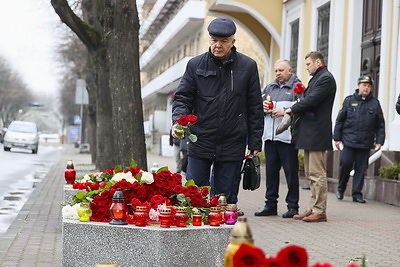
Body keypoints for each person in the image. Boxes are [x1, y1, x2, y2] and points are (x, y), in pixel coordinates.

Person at [171, 17, 264, 204]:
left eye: (223, 41)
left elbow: (254, 107)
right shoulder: (195, 65)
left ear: (233, 41)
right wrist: (178, 121)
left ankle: (223, 232)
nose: (218, 45)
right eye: (214, 40)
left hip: (232, 142)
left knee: (224, 199)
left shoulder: (248, 67)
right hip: (200, 139)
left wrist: (255, 143)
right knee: (193, 196)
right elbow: (183, 98)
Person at [285, 51, 336, 222]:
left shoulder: (326, 78)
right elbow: (307, 98)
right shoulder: (317, 78)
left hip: (317, 133)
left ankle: (320, 210)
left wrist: (293, 108)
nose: (306, 68)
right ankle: (312, 208)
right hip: (310, 132)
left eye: (308, 64)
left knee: (317, 174)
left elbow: (312, 100)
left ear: (318, 62)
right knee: (310, 173)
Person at [254, 59, 300, 218]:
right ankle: (270, 205)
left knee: (290, 174)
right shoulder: (269, 87)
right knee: (271, 174)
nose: (278, 73)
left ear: (290, 70)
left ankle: (293, 206)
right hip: (270, 137)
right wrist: (263, 106)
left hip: (288, 138)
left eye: (281, 70)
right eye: (276, 71)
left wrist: (285, 110)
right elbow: (257, 106)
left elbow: (303, 107)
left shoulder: (298, 88)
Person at [333, 75, 385, 203]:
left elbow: (380, 124)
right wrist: (337, 138)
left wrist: (380, 141)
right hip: (349, 141)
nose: (366, 88)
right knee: (345, 165)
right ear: (358, 86)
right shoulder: (349, 101)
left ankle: (357, 194)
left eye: (368, 86)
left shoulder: (375, 103)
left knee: (361, 169)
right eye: (364, 85)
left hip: (365, 143)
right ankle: (341, 188)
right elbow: (340, 121)